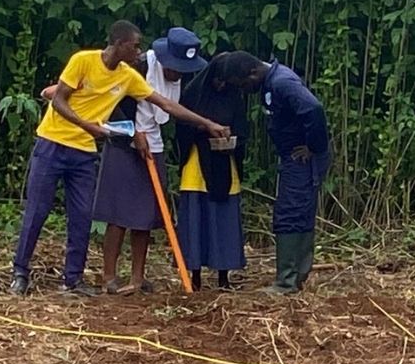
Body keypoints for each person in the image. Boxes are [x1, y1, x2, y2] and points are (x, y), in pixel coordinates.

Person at [9, 21, 229, 297]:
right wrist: (88, 125)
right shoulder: (83, 61)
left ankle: (73, 279)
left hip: (84, 153)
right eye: (134, 46)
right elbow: (59, 100)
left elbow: (166, 104)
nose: (139, 51)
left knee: (81, 217)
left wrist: (206, 123)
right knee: (37, 211)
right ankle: (20, 272)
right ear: (119, 43)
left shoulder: (127, 76)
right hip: (52, 143)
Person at [96, 27, 207, 295]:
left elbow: (169, 109)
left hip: (153, 146)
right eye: (174, 67)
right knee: (118, 212)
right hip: (124, 143)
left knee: (144, 214)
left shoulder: (178, 77)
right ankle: (109, 276)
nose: (176, 73)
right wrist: (134, 133)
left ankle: (138, 276)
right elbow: (111, 103)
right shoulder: (139, 65)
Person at [220, 51, 330, 295]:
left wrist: (314, 146)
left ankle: (287, 282)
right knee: (297, 210)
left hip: (301, 158)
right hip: (293, 157)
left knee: (291, 212)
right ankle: (296, 276)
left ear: (253, 73)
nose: (244, 90)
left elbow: (313, 108)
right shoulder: (272, 81)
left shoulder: (282, 83)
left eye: (243, 85)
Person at [174, 53, 249, 291]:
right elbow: (182, 126)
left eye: (226, 82)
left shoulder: (234, 97)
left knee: (223, 219)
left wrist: (231, 137)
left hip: (225, 163)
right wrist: (203, 129)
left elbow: (242, 127)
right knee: (198, 218)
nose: (221, 85)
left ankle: (223, 276)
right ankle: (194, 275)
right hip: (197, 162)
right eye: (218, 80)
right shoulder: (193, 94)